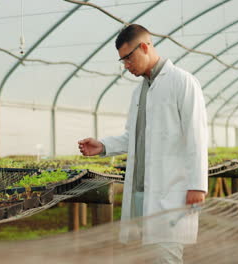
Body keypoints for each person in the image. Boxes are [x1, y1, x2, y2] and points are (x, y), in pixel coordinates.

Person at [78, 24, 208, 263]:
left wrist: (198, 185)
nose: (126, 65)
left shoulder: (183, 82)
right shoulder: (140, 92)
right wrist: (103, 146)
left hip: (171, 191)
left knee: (167, 256)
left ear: (145, 47)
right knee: (149, 257)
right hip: (142, 193)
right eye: (122, 60)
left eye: (128, 58)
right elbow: (133, 137)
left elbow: (196, 136)